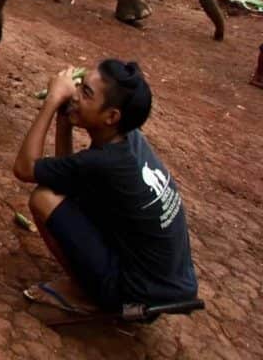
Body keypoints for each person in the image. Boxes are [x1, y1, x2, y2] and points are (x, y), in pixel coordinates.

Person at [13, 60, 198, 314]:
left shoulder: (105, 162)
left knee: (43, 198)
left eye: (85, 93)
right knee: (68, 196)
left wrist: (51, 102)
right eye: (80, 86)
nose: (74, 95)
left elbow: (24, 168)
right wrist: (64, 120)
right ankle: (97, 283)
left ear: (112, 116)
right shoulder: (129, 141)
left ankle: (85, 294)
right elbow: (69, 182)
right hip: (169, 285)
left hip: (136, 296)